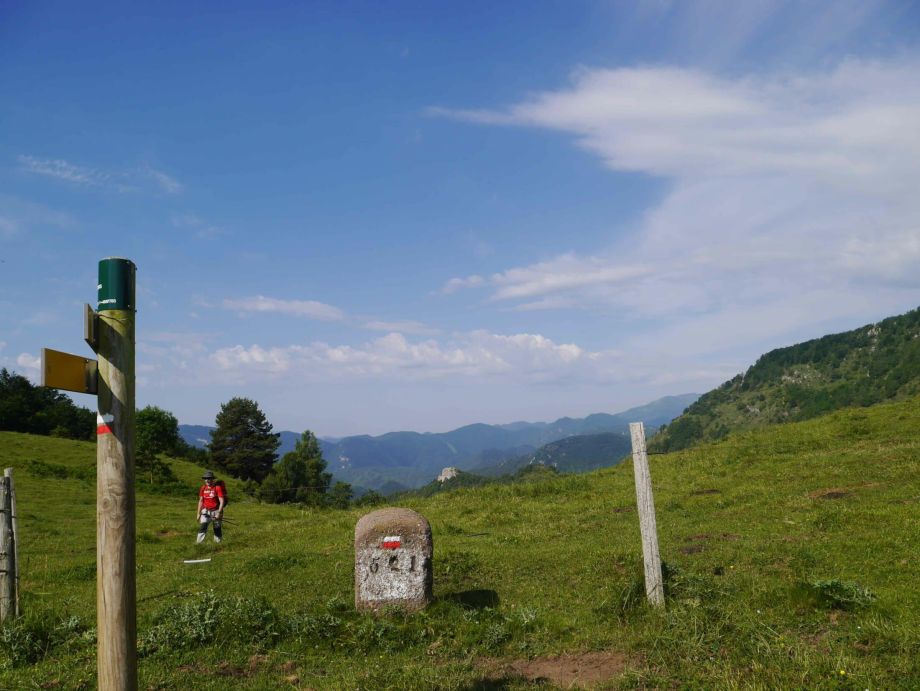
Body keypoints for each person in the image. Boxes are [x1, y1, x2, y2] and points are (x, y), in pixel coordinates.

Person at [196, 470, 226, 544]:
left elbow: (222, 501)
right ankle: (199, 544)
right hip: (205, 511)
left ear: (212, 479)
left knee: (217, 528)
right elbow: (201, 501)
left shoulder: (217, 488)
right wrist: (198, 513)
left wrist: (219, 513)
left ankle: (218, 544)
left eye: (209, 478)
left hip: (216, 511)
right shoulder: (203, 488)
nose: (207, 480)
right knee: (202, 527)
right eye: (205, 478)